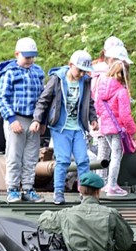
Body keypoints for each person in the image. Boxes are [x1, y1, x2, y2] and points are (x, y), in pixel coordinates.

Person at [31, 50, 99, 205]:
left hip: (78, 128)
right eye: (79, 70)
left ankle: (85, 193)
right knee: (63, 160)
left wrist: (93, 118)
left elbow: (89, 102)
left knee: (83, 160)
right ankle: (58, 192)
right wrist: (37, 119)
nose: (82, 74)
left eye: (85, 71)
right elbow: (44, 100)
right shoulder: (57, 79)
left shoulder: (86, 81)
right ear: (70, 65)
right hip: (60, 128)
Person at [0, 37, 46, 203]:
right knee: (14, 156)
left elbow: (43, 98)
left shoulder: (37, 72)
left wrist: (42, 120)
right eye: (26, 57)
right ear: (17, 54)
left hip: (34, 120)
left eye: (32, 57)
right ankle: (13, 189)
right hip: (16, 118)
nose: (30, 60)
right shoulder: (9, 73)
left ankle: (28, 188)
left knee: (31, 157)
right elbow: (2, 99)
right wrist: (11, 119)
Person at [94, 45, 136, 197]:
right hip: (117, 129)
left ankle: (106, 183)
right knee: (116, 156)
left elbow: (98, 108)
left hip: (105, 128)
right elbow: (125, 115)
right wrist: (132, 131)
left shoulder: (102, 87)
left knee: (110, 155)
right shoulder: (121, 91)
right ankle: (112, 185)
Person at [90, 36, 125, 183]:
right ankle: (103, 183)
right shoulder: (106, 74)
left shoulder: (94, 72)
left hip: (100, 118)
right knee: (106, 153)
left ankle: (102, 182)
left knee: (104, 152)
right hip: (107, 119)